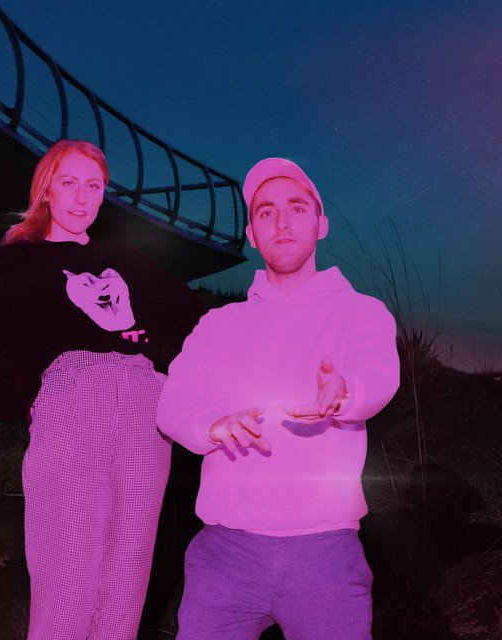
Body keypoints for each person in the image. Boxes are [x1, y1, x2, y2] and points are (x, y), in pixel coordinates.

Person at [0, 139, 204, 640]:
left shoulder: (125, 258)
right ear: (46, 189)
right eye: (69, 182)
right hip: (72, 403)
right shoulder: (17, 263)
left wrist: (154, 351)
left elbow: (194, 320)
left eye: (93, 186)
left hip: (145, 411)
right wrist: (33, 398)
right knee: (69, 582)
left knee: (125, 587)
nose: (81, 197)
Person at [157, 157, 400, 640]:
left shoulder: (361, 311)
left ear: (320, 224)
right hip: (224, 554)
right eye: (266, 212)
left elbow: (379, 375)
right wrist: (212, 424)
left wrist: (345, 391)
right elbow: (172, 402)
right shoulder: (217, 325)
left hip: (326, 554)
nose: (282, 222)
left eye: (296, 208)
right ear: (252, 234)